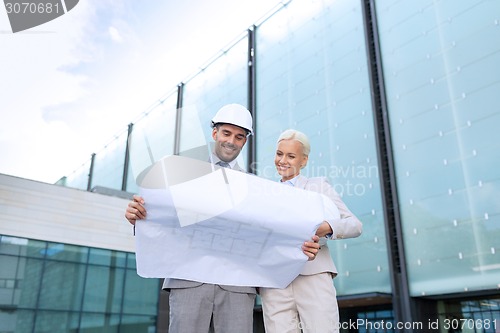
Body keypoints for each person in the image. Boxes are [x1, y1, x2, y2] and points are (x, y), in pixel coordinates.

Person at [125, 105, 320, 333]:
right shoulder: (180, 174)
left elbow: (268, 233)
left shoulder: (253, 188)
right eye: (226, 133)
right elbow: (164, 218)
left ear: (244, 142)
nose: (231, 141)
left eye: (239, 137)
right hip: (189, 281)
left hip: (236, 287)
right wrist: (140, 218)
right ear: (215, 133)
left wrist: (300, 245)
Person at [259, 129, 363, 333]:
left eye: (291, 156)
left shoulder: (319, 186)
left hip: (313, 275)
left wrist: (327, 228)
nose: (283, 160)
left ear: (303, 161)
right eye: (279, 154)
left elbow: (355, 225)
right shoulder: (265, 193)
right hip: (276, 282)